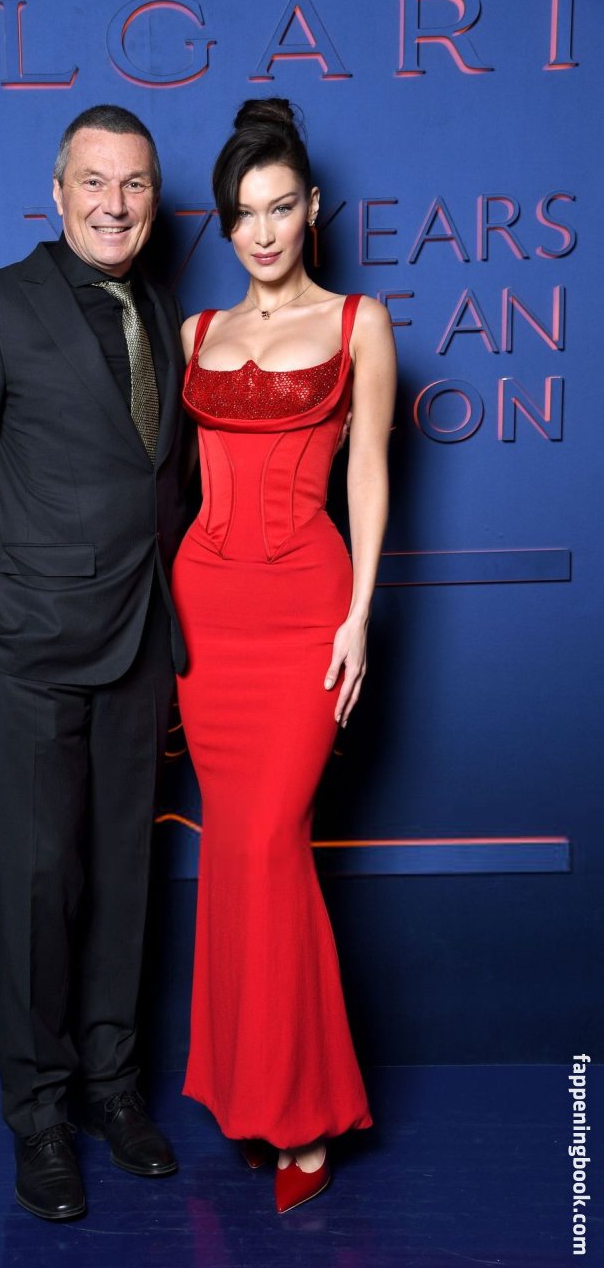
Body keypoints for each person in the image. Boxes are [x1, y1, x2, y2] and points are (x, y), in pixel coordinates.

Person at [0, 105, 196, 1222]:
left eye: (134, 184)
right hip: (25, 652)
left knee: (125, 878)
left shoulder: (163, 311)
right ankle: (38, 1117)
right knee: (38, 888)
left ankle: (113, 1089)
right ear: (57, 190)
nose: (114, 204)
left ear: (152, 196)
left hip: (140, 642)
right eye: (94, 181)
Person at [172, 98, 396, 1214]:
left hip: (306, 613)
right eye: (242, 214)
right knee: (233, 852)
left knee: (271, 845)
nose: (261, 232)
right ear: (225, 224)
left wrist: (358, 614)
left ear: (312, 208)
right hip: (204, 619)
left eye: (278, 208)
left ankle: (303, 1111)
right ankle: (246, 1093)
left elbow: (369, 471)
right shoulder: (194, 335)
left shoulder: (359, 321)